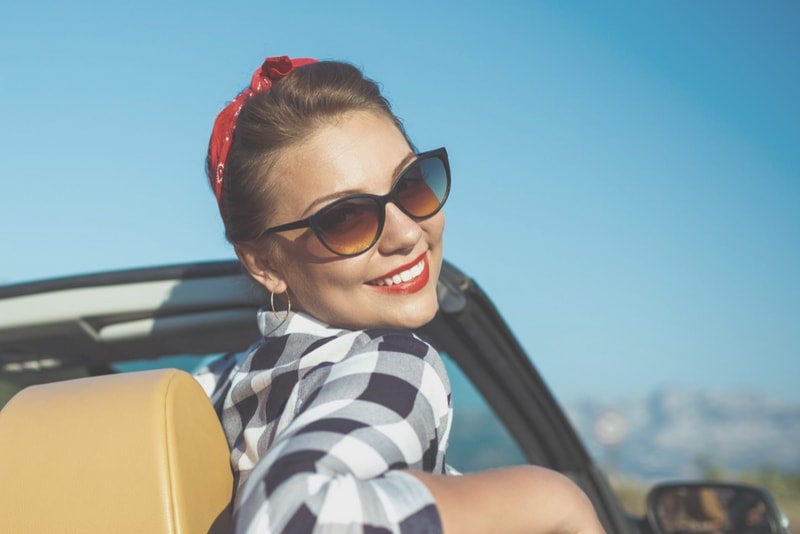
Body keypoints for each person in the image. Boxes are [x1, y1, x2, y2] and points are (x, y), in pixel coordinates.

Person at [196, 55, 605, 534]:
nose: (407, 234)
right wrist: (552, 499)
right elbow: (296, 516)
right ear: (264, 263)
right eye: (345, 218)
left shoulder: (219, 387)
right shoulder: (393, 362)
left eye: (411, 185)